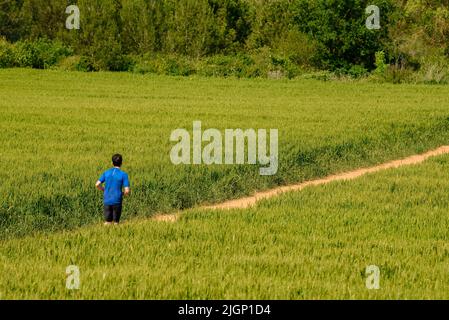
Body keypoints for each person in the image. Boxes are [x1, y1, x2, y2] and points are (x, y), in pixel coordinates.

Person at [96, 154, 130, 225]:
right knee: (116, 223)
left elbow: (97, 184)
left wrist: (104, 190)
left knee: (107, 222)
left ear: (112, 163)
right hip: (117, 201)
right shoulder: (123, 174)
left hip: (107, 200)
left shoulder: (106, 172)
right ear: (121, 163)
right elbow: (127, 191)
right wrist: (123, 194)